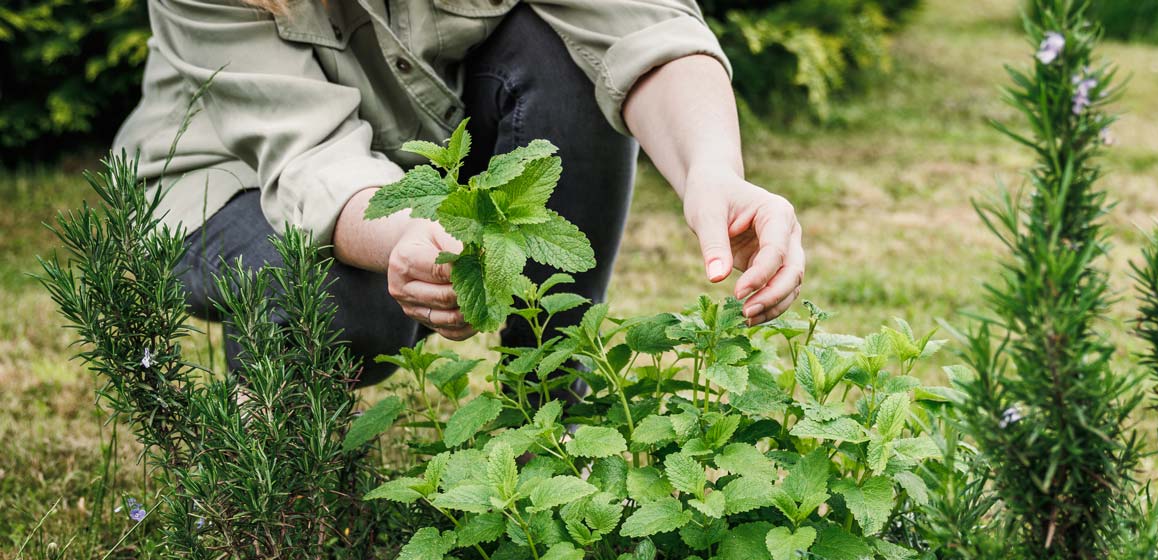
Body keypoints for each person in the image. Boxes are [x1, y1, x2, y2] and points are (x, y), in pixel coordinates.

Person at [115, 0, 805, 385]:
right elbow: (308, 162)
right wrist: (412, 238)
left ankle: (552, 399)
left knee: (568, 57)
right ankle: (278, 489)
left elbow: (642, 24)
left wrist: (713, 167)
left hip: (413, 147)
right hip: (223, 179)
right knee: (342, 300)